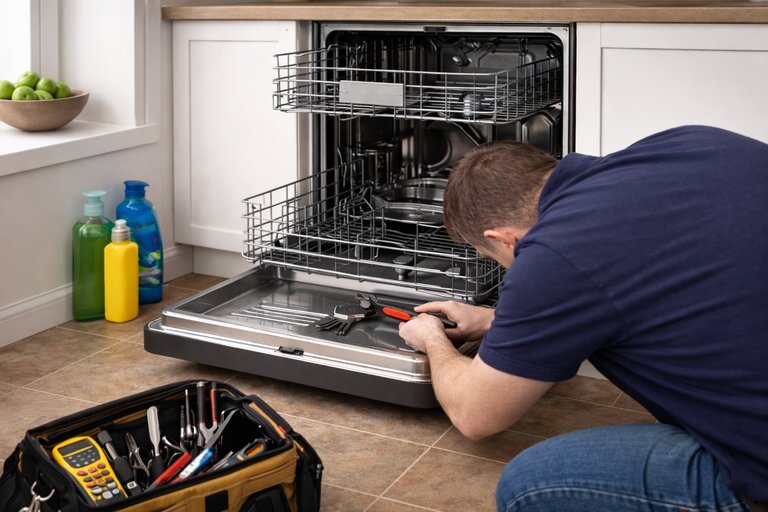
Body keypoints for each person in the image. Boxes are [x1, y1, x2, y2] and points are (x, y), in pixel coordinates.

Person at [397, 125, 768, 511]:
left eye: (494, 256)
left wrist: (432, 340)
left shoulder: (555, 254)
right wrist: (497, 319)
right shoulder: (689, 143)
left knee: (530, 485)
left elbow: (475, 415)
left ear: (505, 238)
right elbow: (655, 282)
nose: (509, 268)